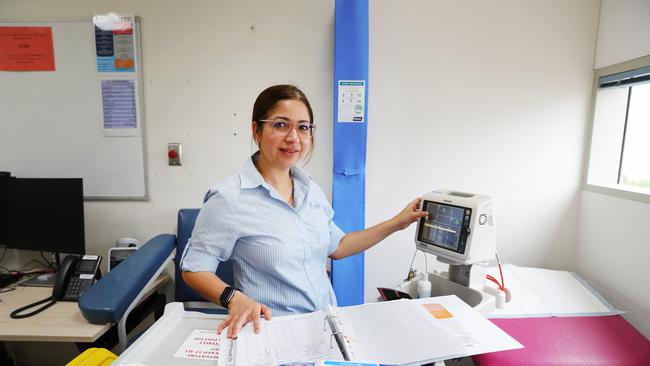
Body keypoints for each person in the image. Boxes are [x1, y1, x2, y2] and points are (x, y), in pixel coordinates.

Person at [180, 84, 427, 339]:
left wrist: (398, 222)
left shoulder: (310, 190)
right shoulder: (229, 198)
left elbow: (339, 246)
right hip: (273, 333)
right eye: (280, 125)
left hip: (327, 326)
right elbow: (194, 269)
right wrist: (233, 298)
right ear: (256, 130)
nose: (294, 138)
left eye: (303, 127)